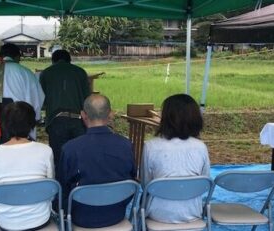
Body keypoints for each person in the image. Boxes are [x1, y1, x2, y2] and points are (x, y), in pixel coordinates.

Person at [0, 43, 44, 225]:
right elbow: (37, 101)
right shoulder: (25, 73)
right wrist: (31, 128)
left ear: (0, 56)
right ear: (18, 56)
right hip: (17, 124)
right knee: (20, 164)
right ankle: (21, 210)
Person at [60, 94, 136, 228]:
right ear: (111, 114)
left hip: (82, 217)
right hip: (116, 214)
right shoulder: (126, 145)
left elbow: (62, 186)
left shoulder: (70, 148)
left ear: (83, 115)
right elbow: (132, 177)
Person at [0, 101, 54, 231]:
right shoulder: (45, 151)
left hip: (6, 222)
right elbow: (51, 191)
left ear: (4, 124)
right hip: (40, 219)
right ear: (32, 123)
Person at [141, 93, 210, 224]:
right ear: (195, 118)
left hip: (158, 213)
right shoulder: (201, 147)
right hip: (192, 212)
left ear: (165, 118)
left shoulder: (151, 146)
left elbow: (146, 184)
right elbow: (204, 182)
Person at [40, 49, 90, 178]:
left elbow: (42, 100)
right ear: (70, 60)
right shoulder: (80, 72)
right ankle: (78, 190)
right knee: (80, 158)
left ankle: (62, 193)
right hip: (78, 120)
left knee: (59, 159)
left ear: (53, 61)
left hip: (56, 121)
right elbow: (88, 98)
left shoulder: (46, 73)